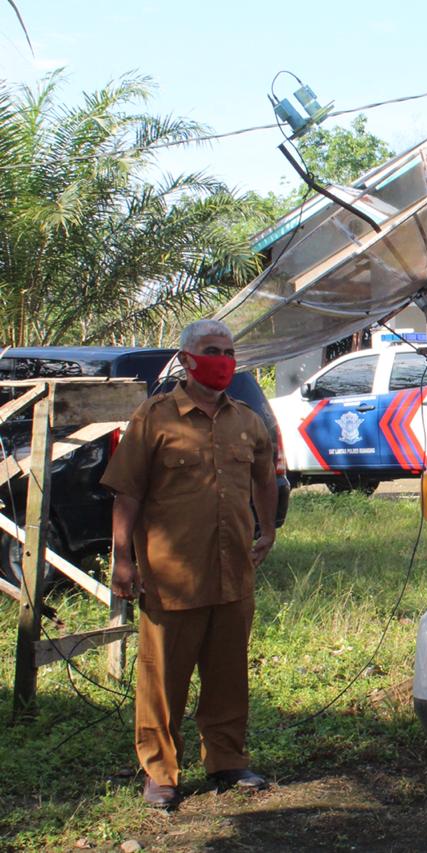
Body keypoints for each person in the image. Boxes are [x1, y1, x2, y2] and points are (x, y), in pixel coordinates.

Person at [101, 319, 278, 809]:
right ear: (186, 359)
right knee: (163, 679)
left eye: (228, 351)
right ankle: (160, 772)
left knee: (228, 674)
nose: (222, 359)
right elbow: (126, 492)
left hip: (233, 574)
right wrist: (122, 560)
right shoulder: (154, 418)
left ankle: (226, 760)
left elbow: (267, 476)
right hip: (171, 577)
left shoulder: (246, 419)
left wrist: (268, 528)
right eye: (211, 351)